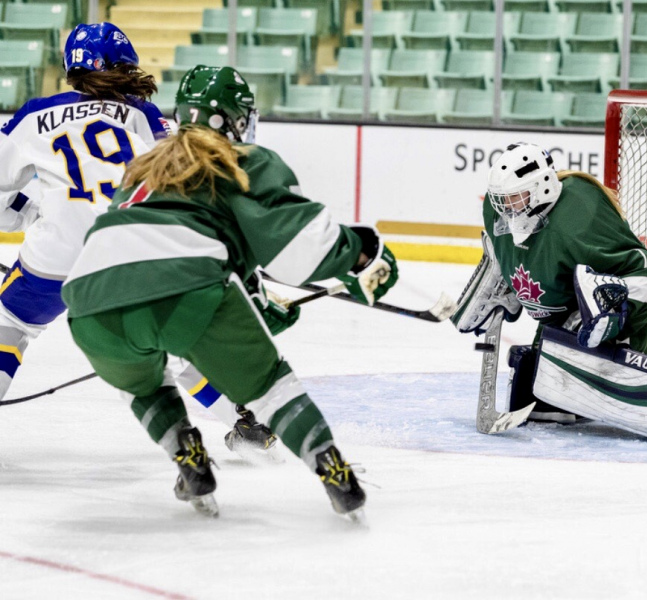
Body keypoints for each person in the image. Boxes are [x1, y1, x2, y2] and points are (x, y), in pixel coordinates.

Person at [61, 65, 398, 520]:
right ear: (235, 118)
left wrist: (253, 301)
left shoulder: (144, 166)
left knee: (144, 386)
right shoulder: (239, 158)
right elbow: (302, 248)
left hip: (89, 301)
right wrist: (362, 254)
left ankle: (188, 457)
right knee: (270, 388)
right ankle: (331, 466)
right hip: (187, 287)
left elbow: (173, 235)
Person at [0, 23, 277, 455]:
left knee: (10, 324)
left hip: (54, 254)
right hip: (127, 250)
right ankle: (246, 422)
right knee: (170, 334)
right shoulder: (144, 116)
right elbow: (181, 179)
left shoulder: (35, 112)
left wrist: (27, 212)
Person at [452, 142, 647, 450]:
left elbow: (641, 274)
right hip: (563, 309)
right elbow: (507, 251)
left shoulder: (578, 218)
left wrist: (609, 306)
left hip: (625, 303)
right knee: (541, 393)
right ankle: (579, 362)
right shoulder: (497, 211)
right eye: (502, 200)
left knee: (579, 346)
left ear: (541, 189)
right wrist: (501, 278)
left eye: (515, 198)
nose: (507, 208)